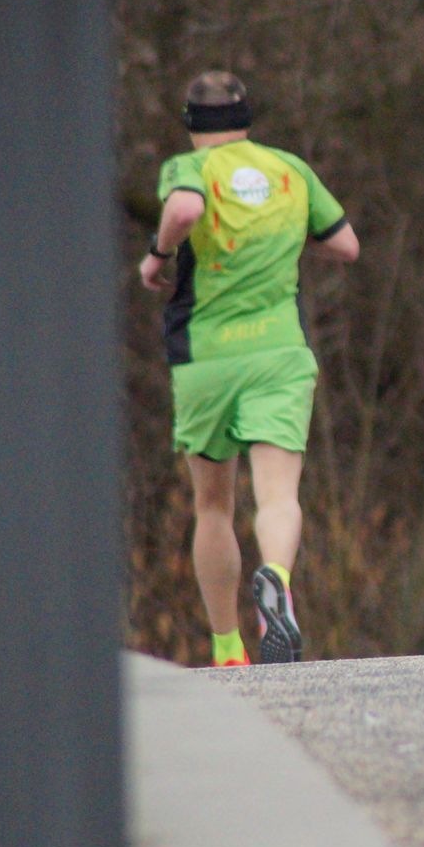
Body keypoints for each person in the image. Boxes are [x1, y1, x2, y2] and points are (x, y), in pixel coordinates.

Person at [140, 72, 359, 665]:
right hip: (279, 355)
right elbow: (346, 245)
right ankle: (277, 580)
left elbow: (186, 208)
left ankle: (227, 647)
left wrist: (158, 255)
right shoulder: (290, 169)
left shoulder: (189, 168)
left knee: (213, 506)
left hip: (206, 358)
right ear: (247, 118)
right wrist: (281, 238)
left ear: (190, 123)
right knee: (278, 495)